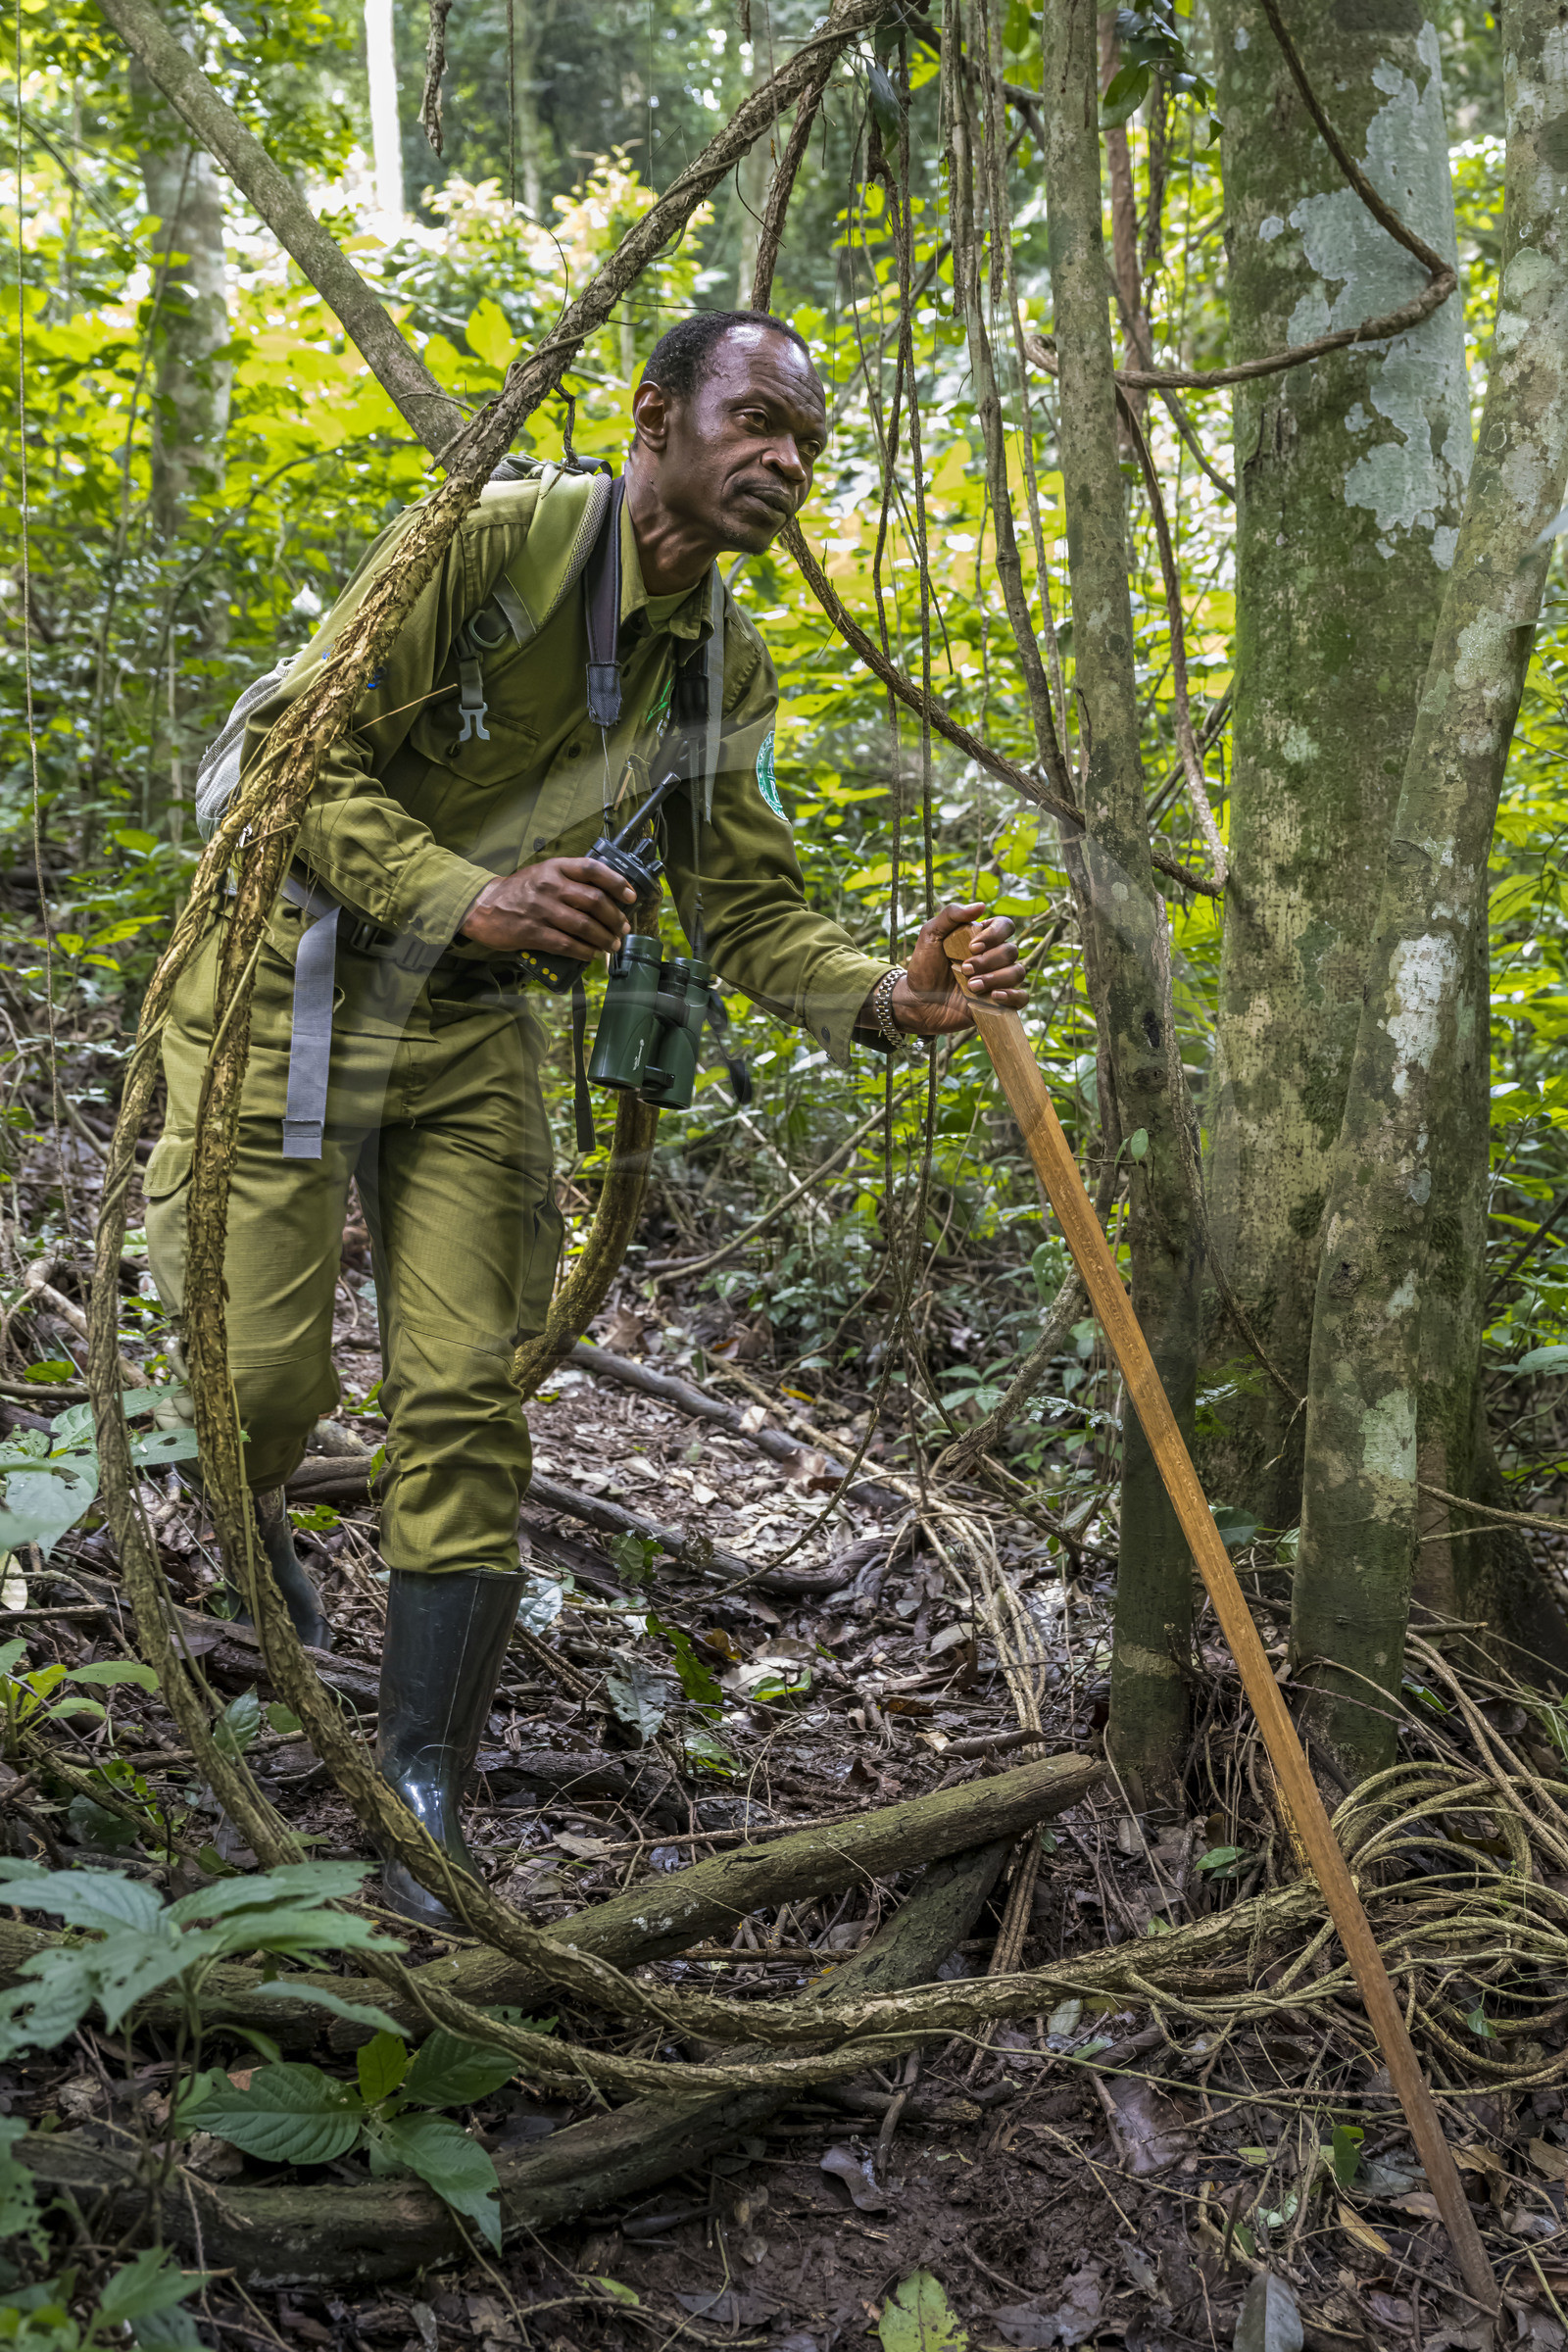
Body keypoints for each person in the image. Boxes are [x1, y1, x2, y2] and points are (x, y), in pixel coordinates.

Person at [147, 309, 1026, 1925]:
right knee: (254, 1376)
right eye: (757, 421)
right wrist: (468, 891)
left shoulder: (724, 664)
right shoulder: (476, 550)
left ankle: (424, 1787)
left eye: (808, 447)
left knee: (465, 1388)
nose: (784, 463)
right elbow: (291, 759)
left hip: (474, 1040)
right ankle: (251, 1518)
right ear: (654, 419)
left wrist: (887, 998)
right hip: (296, 986)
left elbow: (751, 908)